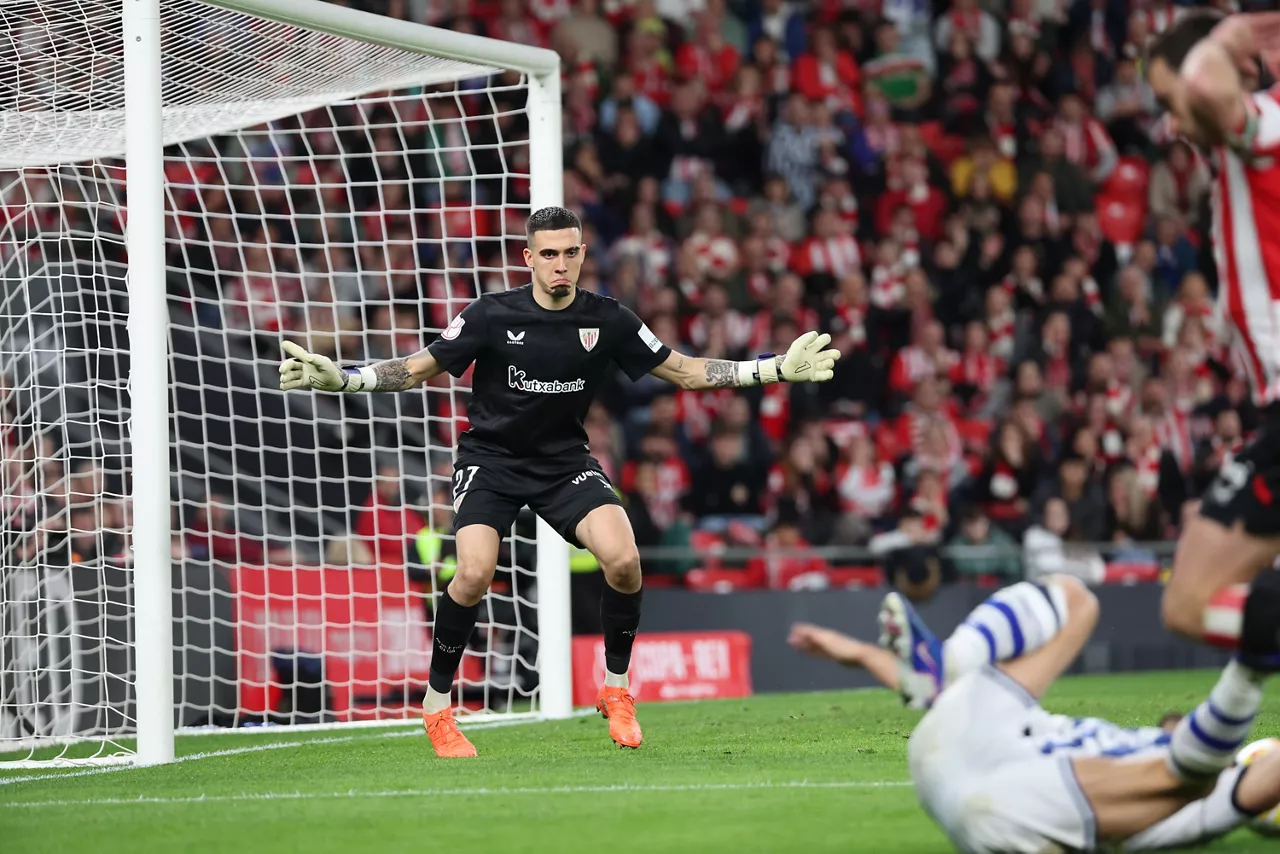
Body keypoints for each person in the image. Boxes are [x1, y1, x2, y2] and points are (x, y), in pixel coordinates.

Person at [278, 206, 839, 756]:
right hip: (491, 461)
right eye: (549, 254)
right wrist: (347, 379)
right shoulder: (490, 315)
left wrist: (771, 368)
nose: (561, 265)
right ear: (529, 258)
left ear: (582, 255)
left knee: (623, 560)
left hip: (564, 462)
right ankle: (437, 707)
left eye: (570, 253)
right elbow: (420, 366)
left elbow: (684, 369)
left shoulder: (608, 318)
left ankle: (616, 689)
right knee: (472, 573)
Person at [790, 580, 1280, 851]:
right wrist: (855, 653)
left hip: (1007, 793)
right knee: (1078, 602)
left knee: (1194, 777)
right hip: (975, 766)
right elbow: (936, 696)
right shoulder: (1137, 749)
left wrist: (1251, 668)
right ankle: (950, 659)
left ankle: (952, 659)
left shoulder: (1213, 799)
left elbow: (1205, 770)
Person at [1143, 9, 1280, 669]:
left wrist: (1226, 38)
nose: (1171, 121)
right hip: (1274, 413)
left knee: (1193, 602)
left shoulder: (1265, 125)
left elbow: (1203, 88)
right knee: (1187, 603)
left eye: (1167, 100)